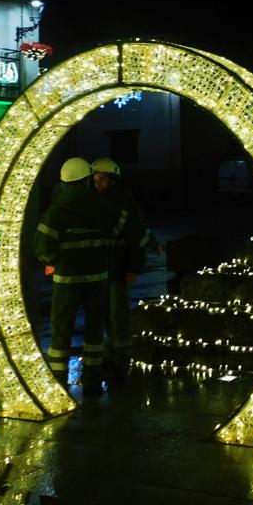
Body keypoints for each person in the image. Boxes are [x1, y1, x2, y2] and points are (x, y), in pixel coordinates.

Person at [35, 157, 113, 396]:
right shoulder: (100, 205)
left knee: (61, 330)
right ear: (87, 178)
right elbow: (112, 235)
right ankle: (92, 381)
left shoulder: (55, 211)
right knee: (94, 330)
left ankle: (58, 380)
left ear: (65, 182)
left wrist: (51, 262)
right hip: (97, 278)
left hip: (66, 280)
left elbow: (43, 249)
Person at [90, 157, 146, 384]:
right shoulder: (93, 201)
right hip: (99, 270)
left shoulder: (125, 203)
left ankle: (122, 359)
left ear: (112, 180)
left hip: (119, 269)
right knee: (103, 315)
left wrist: (134, 267)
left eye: (102, 178)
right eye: (95, 179)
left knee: (118, 315)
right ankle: (108, 355)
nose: (97, 183)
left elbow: (136, 237)